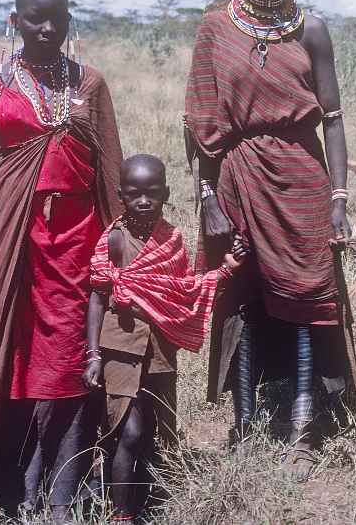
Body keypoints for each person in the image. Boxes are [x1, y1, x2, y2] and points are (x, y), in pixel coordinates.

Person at [0, 0, 123, 522]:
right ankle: (19, 480)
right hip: (20, 248)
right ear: (14, 20)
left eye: (59, 17)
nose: (48, 28)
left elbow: (110, 172)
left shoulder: (89, 85)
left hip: (80, 245)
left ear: (72, 16)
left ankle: (64, 488)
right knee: (22, 360)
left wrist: (120, 243)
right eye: (34, 18)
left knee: (75, 358)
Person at [184, 0, 352, 478]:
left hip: (301, 179)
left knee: (307, 297)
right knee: (243, 295)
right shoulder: (214, 28)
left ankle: (303, 430)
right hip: (236, 176)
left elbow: (331, 119)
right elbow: (200, 121)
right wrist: (206, 194)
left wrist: (339, 196)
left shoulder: (313, 31)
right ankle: (245, 421)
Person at [84, 154, 247, 521]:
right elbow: (96, 296)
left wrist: (226, 271)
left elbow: (183, 291)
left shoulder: (171, 239)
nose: (144, 201)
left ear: (166, 193)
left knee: (155, 429)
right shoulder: (113, 240)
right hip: (120, 347)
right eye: (134, 193)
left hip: (160, 350)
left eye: (152, 193)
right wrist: (93, 355)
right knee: (128, 430)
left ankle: (148, 499)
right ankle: (121, 515)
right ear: (121, 195)